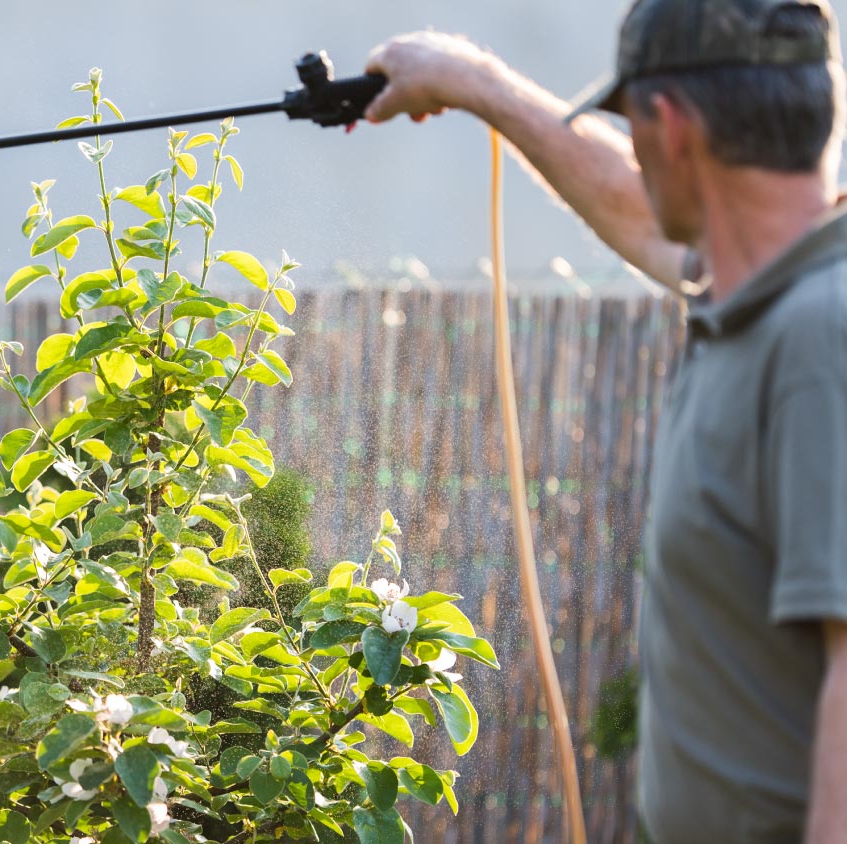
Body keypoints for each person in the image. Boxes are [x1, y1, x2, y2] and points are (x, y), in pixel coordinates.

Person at [360, 1, 847, 841]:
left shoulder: (818, 337)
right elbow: (632, 204)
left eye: (633, 122)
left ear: (670, 126)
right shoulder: (758, 295)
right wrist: (471, 83)